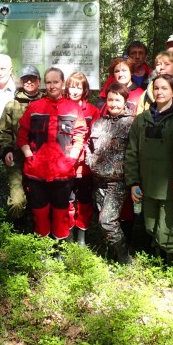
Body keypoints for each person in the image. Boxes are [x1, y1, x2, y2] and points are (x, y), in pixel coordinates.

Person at [17, 68, 86, 243]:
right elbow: (22, 135)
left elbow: (80, 135)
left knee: (61, 210)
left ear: (62, 84)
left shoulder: (73, 108)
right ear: (44, 84)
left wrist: (72, 159)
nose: (52, 86)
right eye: (48, 82)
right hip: (36, 171)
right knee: (39, 210)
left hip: (63, 172)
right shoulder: (34, 107)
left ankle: (60, 245)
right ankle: (43, 245)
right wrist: (29, 156)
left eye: (56, 82)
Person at [126, 74, 173, 263]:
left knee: (166, 230)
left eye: (164, 88)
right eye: (156, 88)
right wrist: (133, 182)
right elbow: (131, 152)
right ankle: (156, 258)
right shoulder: (141, 120)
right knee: (150, 226)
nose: (159, 92)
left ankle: (170, 262)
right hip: (147, 184)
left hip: (170, 187)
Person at [86, 82, 136, 263]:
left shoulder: (132, 123)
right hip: (98, 179)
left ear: (125, 101)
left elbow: (136, 152)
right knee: (102, 220)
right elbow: (90, 146)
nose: (113, 104)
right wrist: (90, 161)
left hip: (118, 181)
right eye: (110, 100)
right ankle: (111, 255)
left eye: (117, 100)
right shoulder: (99, 123)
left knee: (107, 221)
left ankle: (125, 260)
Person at [0, 66, 44, 222]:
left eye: (33, 79)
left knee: (40, 197)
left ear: (39, 81)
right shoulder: (12, 105)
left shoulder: (46, 102)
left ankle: (37, 226)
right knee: (17, 201)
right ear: (21, 82)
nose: (29, 82)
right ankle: (16, 227)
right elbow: (3, 131)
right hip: (18, 159)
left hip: (41, 160)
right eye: (25, 79)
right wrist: (7, 150)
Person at [65, 71, 100, 245]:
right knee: (68, 200)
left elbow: (96, 138)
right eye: (72, 87)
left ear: (85, 90)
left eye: (78, 87)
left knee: (84, 201)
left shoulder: (92, 111)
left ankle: (82, 236)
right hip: (66, 165)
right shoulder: (61, 107)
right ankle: (68, 233)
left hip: (84, 166)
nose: (74, 91)